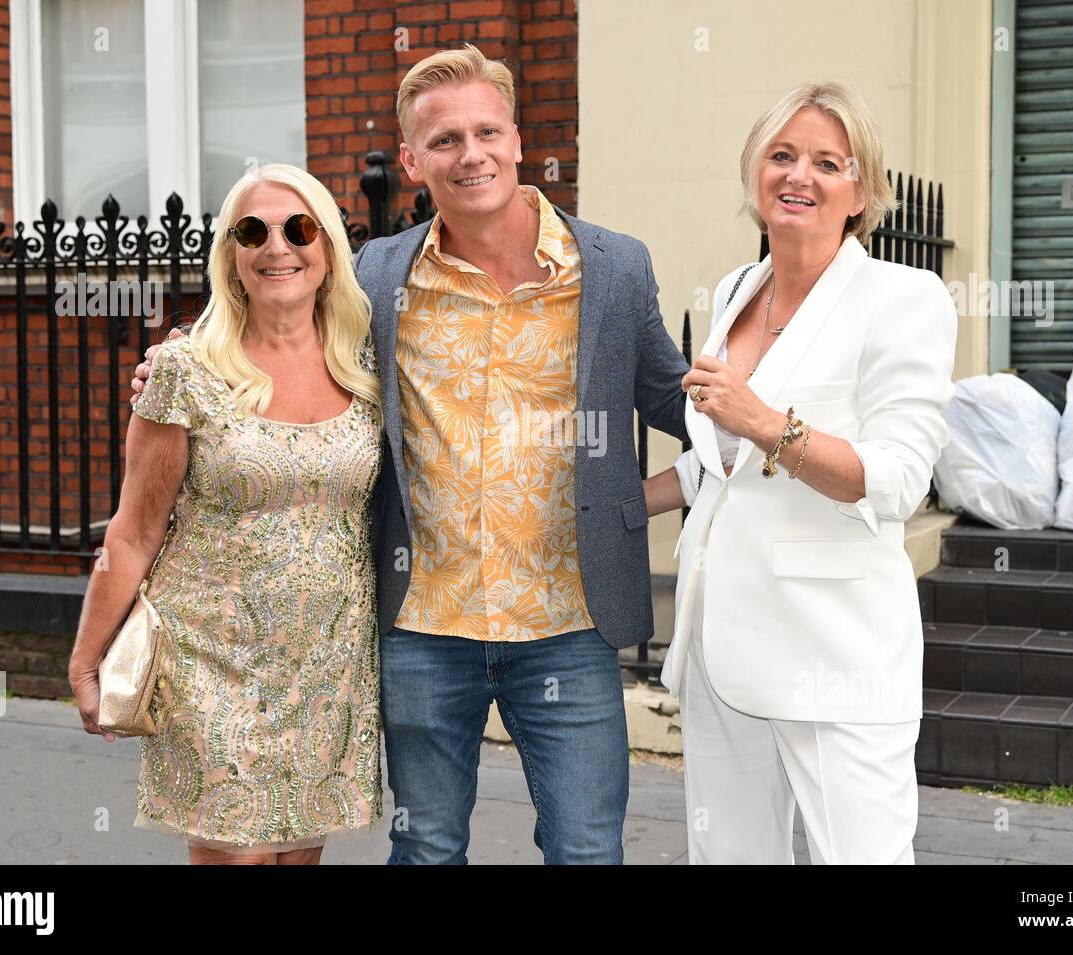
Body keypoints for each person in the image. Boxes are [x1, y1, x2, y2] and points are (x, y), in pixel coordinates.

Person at [134, 45, 690, 864]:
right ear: (412, 159)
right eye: (445, 140)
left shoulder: (611, 269)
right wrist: (183, 358)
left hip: (570, 621)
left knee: (586, 849)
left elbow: (687, 409)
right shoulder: (376, 276)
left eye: (485, 132)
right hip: (425, 625)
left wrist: (645, 493)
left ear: (516, 139)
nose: (470, 154)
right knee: (426, 847)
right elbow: (284, 338)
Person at [643, 81, 957, 864]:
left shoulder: (905, 298)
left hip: (835, 657)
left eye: (827, 161)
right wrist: (625, 500)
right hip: (719, 647)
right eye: (781, 155)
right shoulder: (733, 292)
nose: (799, 176)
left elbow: (896, 477)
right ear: (755, 174)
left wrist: (763, 419)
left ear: (863, 191)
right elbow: (724, 466)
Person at [71, 163, 383, 865]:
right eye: (253, 231)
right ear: (231, 257)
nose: (278, 247)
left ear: (327, 250)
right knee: (235, 855)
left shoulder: (365, 369)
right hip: (209, 659)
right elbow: (133, 529)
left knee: (298, 857)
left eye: (298, 228)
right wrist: (88, 660)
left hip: (327, 667)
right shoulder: (186, 370)